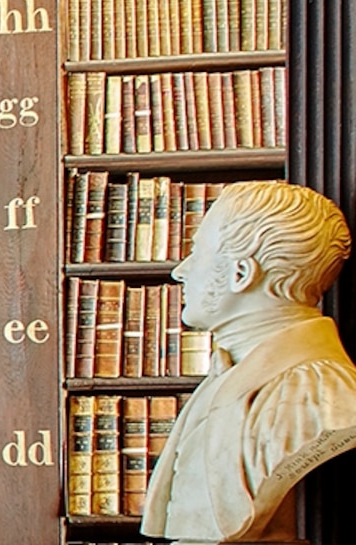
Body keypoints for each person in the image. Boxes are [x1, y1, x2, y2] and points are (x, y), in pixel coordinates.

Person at [143, 179, 356, 544]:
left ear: (241, 274)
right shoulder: (226, 373)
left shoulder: (326, 395)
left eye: (197, 252)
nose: (181, 270)